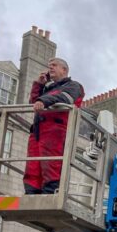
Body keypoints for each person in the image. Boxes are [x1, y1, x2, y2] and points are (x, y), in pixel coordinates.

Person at [24, 57, 84, 194]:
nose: (50, 68)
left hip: (55, 132)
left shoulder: (73, 86)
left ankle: (51, 193)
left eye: (54, 65)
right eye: (49, 65)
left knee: (52, 165)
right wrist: (39, 85)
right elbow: (33, 102)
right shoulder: (48, 89)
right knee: (33, 166)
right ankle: (31, 193)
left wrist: (43, 100)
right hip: (38, 132)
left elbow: (66, 98)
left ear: (64, 70)